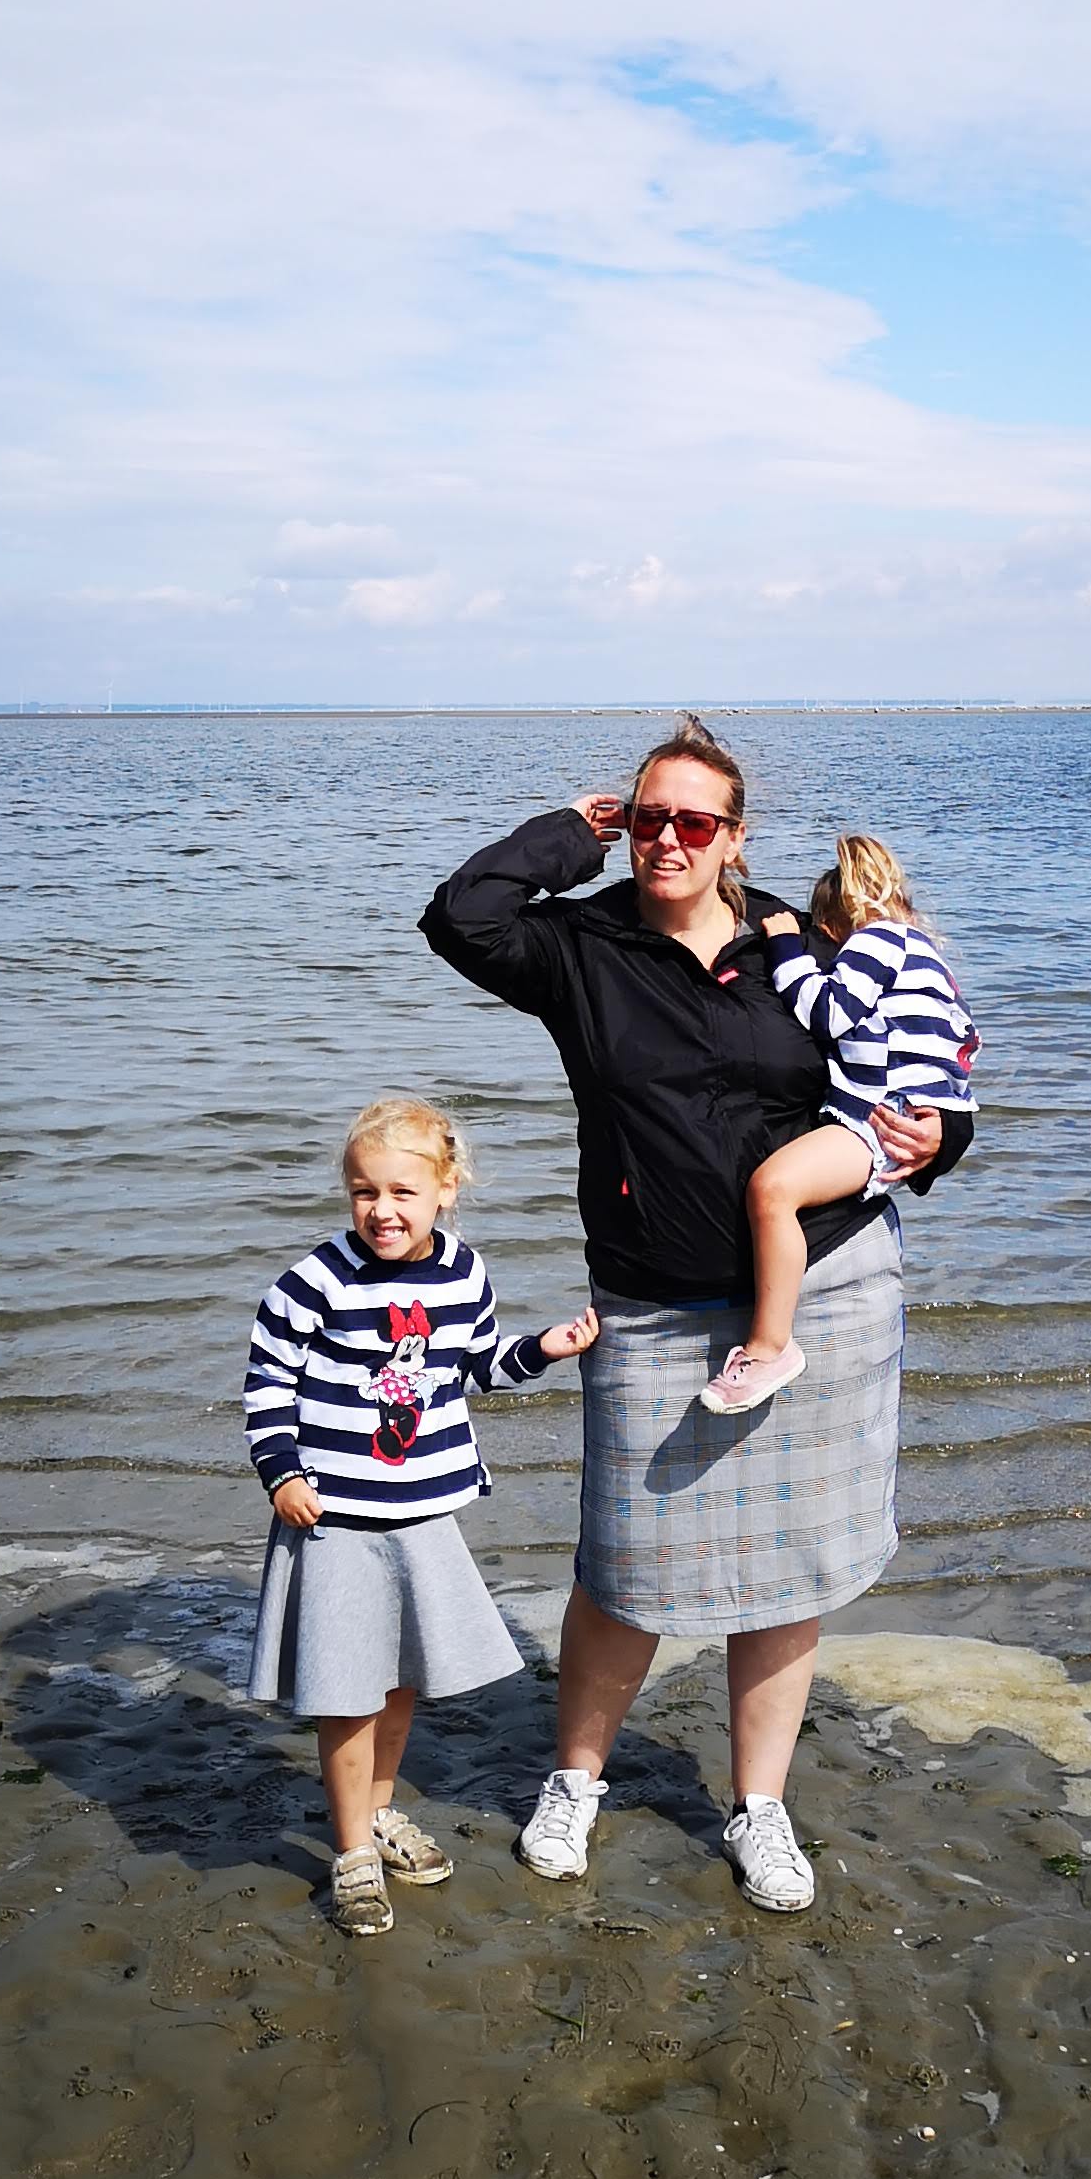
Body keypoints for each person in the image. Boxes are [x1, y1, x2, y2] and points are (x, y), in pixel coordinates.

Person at [419, 719, 973, 1915]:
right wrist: (571, 835)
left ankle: (759, 1806)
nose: (669, 839)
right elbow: (460, 916)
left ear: (735, 837)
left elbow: (910, 1046)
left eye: (695, 821)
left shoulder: (793, 936)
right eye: (650, 817)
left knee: (789, 1568)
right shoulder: (581, 946)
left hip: (824, 1288)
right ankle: (576, 1781)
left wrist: (942, 1138)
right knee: (624, 1567)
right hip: (653, 1301)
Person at [242, 1095, 598, 1937]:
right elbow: (267, 1386)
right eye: (365, 1192)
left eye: (403, 1192)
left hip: (422, 1512)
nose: (383, 1211)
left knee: (400, 1682)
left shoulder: (464, 1272)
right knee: (346, 1693)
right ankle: (350, 1853)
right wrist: (282, 1472)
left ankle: (377, 1813)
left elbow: (475, 1364)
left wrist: (542, 1350)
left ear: (447, 1188)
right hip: (334, 1515)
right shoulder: (315, 1281)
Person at [704, 835, 980, 1415]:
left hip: (877, 1119)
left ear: (834, 922)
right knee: (778, 1191)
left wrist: (786, 949)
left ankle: (770, 1346)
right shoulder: (928, 957)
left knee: (772, 1191)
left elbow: (827, 1012)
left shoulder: (876, 940)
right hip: (903, 1118)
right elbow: (959, 1049)